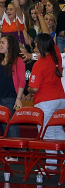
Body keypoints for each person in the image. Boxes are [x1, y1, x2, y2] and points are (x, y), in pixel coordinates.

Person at [28, 33, 65, 169]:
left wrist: (28, 89)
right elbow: (50, 38)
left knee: (47, 133)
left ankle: (51, 166)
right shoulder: (57, 57)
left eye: (37, 42)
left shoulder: (40, 63)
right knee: (58, 130)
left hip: (46, 101)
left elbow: (34, 88)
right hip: (60, 99)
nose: (35, 44)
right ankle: (60, 158)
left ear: (41, 45)